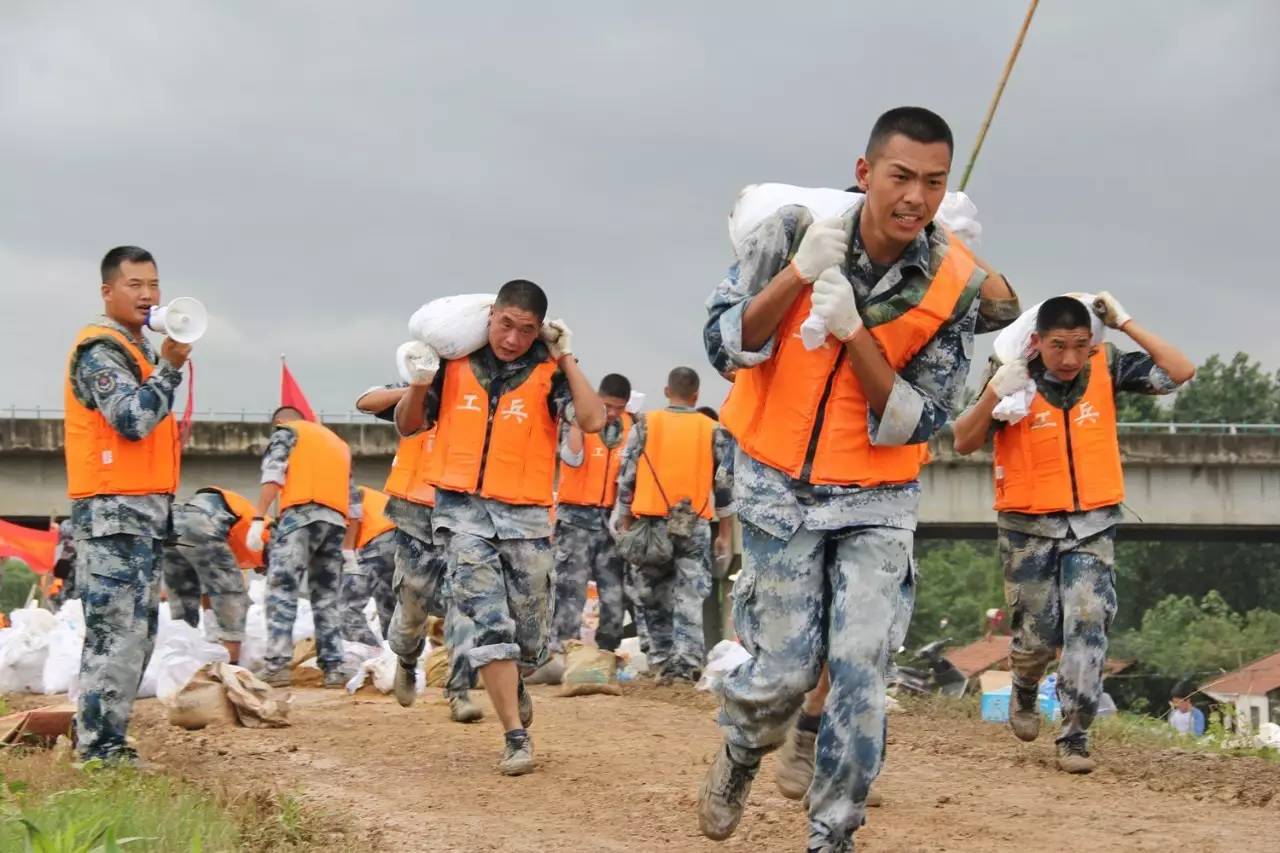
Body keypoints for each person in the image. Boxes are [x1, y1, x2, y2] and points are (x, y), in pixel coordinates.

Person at [697, 107, 1015, 851]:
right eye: (901, 176)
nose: (915, 198)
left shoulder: (951, 280)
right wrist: (800, 276)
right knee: (783, 673)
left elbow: (923, 416)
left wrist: (855, 335)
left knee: (861, 667)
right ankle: (742, 752)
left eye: (934, 183)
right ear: (866, 173)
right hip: (777, 486)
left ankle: (832, 833)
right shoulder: (791, 233)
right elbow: (723, 341)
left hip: (877, 497)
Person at [771, 265, 1022, 807]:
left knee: (867, 642)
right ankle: (798, 734)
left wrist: (956, 249)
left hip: (890, 492)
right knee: (817, 645)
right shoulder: (830, 271)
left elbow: (1004, 310)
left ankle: (840, 759)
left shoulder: (933, 278)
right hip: (813, 489)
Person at [953, 293, 1194, 772]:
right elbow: (963, 441)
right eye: (1058, 345)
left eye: (1080, 345)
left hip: (1092, 522)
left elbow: (1180, 371)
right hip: (1028, 523)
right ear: (1037, 341)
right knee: (1037, 635)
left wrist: (1124, 321)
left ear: (1090, 344)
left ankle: (1075, 734)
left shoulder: (1106, 367)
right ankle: (1024, 689)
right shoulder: (1011, 377)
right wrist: (995, 392)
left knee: (1088, 620)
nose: (1068, 358)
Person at [395, 279, 606, 776]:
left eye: (525, 330)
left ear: (538, 332)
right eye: (505, 324)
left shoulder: (548, 374)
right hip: (462, 514)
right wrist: (420, 381)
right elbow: (408, 425)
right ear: (491, 316)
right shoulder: (454, 366)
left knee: (531, 641)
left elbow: (593, 421)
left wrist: (567, 358)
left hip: (527, 520)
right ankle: (515, 736)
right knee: (490, 624)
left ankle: (518, 677)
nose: (511, 338)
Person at [65, 245, 189, 766]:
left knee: (136, 636)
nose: (147, 296)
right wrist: (169, 369)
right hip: (113, 513)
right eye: (135, 285)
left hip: (140, 515)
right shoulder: (101, 351)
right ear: (108, 292)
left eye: (153, 285)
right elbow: (132, 419)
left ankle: (99, 735)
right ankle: (100, 752)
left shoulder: (135, 349)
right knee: (116, 635)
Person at [356, 383, 482, 723]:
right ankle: (406, 661)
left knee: (464, 602)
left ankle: (460, 691)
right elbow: (366, 401)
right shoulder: (423, 388)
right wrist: (421, 388)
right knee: (413, 604)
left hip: (465, 512)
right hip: (415, 513)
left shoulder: (486, 392)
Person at [615, 367, 732, 684]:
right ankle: (687, 664)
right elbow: (724, 486)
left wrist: (626, 519)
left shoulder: (645, 425)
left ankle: (661, 657)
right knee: (690, 596)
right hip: (694, 524)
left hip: (652, 523)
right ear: (696, 396)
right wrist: (725, 534)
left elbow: (627, 476)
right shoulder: (712, 429)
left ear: (667, 391)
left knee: (653, 594)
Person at [249, 406, 359, 689]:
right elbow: (355, 504)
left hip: (301, 516)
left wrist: (259, 516)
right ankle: (334, 669)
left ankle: (276, 665)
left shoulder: (287, 432)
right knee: (326, 596)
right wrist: (349, 550)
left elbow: (274, 474)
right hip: (335, 523)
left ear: (280, 422)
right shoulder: (338, 444)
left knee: (281, 588)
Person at [551, 373, 634, 658]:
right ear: (598, 398)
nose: (612, 413)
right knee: (569, 590)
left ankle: (607, 652)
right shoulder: (581, 419)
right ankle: (565, 651)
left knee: (614, 593)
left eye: (618, 408)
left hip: (610, 522)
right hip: (575, 519)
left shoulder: (630, 428)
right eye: (607, 405)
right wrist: (576, 423)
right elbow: (571, 458)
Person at [162, 486, 264, 663]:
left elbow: (208, 581)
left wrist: (211, 627)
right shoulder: (267, 533)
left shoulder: (237, 529)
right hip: (201, 522)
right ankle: (232, 666)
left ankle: (181, 658)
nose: (260, 572)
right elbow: (227, 589)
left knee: (183, 596)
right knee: (231, 593)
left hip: (170, 522)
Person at [340, 486, 398, 649]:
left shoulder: (339, 494)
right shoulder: (359, 493)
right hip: (404, 543)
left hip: (379, 542)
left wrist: (348, 552)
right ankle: (395, 658)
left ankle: (374, 655)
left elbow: (351, 521)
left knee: (345, 608)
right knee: (390, 607)